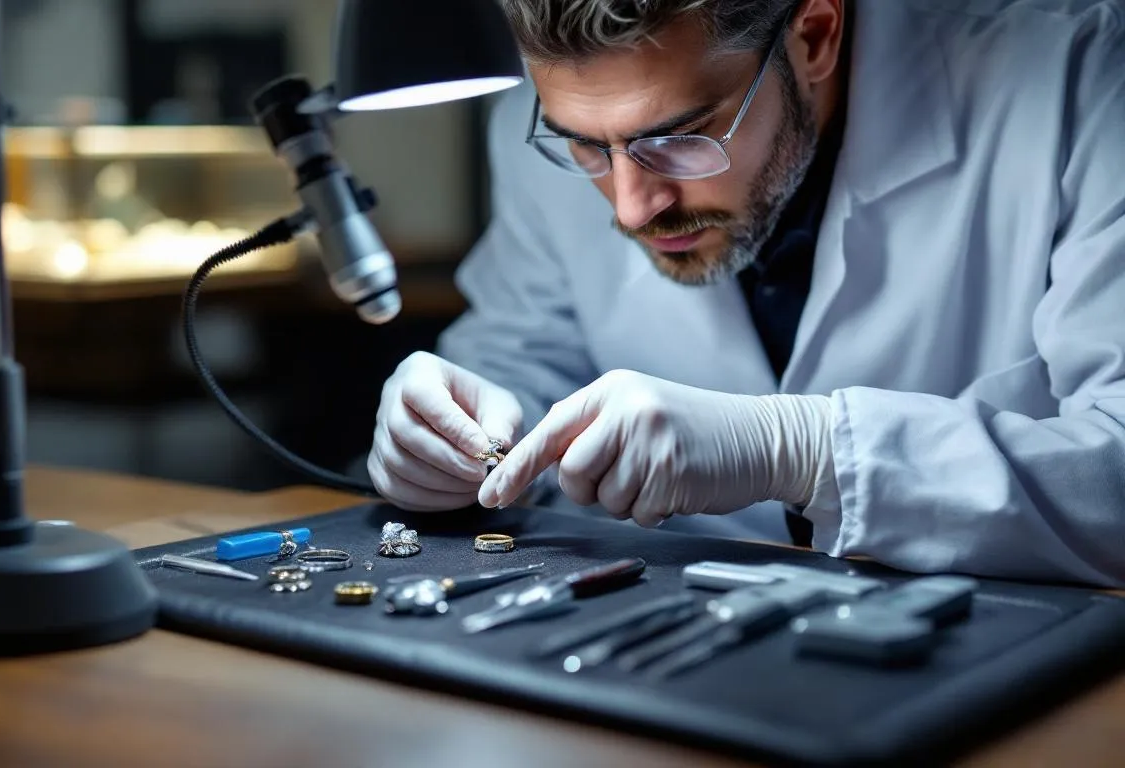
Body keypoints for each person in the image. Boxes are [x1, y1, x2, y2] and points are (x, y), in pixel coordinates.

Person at [365, 0, 1125, 587]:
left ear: (815, 35)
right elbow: (526, 361)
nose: (632, 206)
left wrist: (804, 452)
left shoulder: (1080, 77)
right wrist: (453, 440)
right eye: (586, 146)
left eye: (679, 137)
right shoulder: (540, 126)